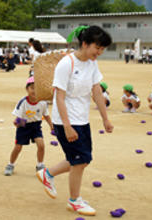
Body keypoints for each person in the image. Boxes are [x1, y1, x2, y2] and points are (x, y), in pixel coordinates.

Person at [36, 26, 114, 216]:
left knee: (83, 159)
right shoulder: (67, 64)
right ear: (85, 44)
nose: (99, 52)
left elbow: (96, 90)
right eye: (97, 47)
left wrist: (105, 118)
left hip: (82, 119)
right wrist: (67, 126)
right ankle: (74, 201)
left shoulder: (92, 63)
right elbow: (59, 98)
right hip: (66, 121)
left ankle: (48, 173)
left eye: (102, 49)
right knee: (79, 162)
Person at [4, 76, 53, 176]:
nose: (34, 91)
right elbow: (17, 119)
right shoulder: (23, 103)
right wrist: (17, 123)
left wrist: (52, 126)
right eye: (32, 88)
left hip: (36, 126)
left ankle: (40, 164)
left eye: (37, 88)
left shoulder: (43, 102)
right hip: (24, 126)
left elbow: (46, 115)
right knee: (18, 147)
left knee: (41, 145)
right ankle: (10, 165)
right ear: (27, 89)